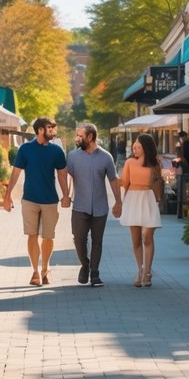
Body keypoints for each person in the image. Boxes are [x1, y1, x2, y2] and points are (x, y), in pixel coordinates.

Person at [3, 116, 68, 286]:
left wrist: (66, 195)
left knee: (48, 237)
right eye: (50, 127)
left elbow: (62, 175)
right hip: (30, 199)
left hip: (50, 200)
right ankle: (35, 271)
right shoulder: (25, 149)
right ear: (40, 130)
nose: (53, 130)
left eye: (54, 127)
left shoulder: (56, 151)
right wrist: (8, 195)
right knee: (32, 234)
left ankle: (45, 268)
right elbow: (16, 172)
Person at [62, 122, 123, 287]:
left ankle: (95, 273)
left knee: (97, 241)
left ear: (90, 137)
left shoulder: (106, 157)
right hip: (79, 206)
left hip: (100, 207)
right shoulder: (73, 156)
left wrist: (118, 201)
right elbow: (69, 176)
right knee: (79, 239)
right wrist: (66, 196)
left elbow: (113, 180)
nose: (77, 139)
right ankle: (85, 264)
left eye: (80, 136)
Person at [119, 133, 163, 287]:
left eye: (138, 147)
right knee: (136, 240)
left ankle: (148, 271)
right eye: (134, 147)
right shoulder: (130, 162)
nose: (135, 149)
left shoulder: (154, 163)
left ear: (146, 147)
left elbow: (158, 181)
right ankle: (140, 270)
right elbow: (124, 182)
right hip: (132, 199)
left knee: (147, 236)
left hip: (148, 199)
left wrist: (159, 198)